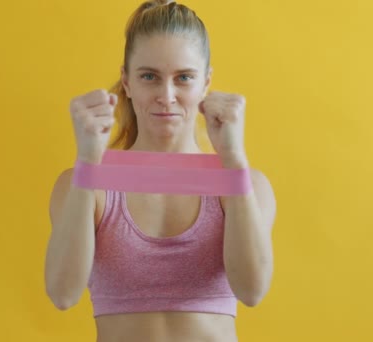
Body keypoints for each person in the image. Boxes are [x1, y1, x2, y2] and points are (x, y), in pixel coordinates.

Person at [44, 1, 277, 341]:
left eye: (183, 78)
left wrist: (234, 160)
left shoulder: (247, 183)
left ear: (206, 82)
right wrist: (88, 165)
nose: (166, 96)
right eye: (149, 76)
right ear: (127, 81)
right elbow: (63, 294)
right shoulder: (82, 184)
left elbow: (252, 290)